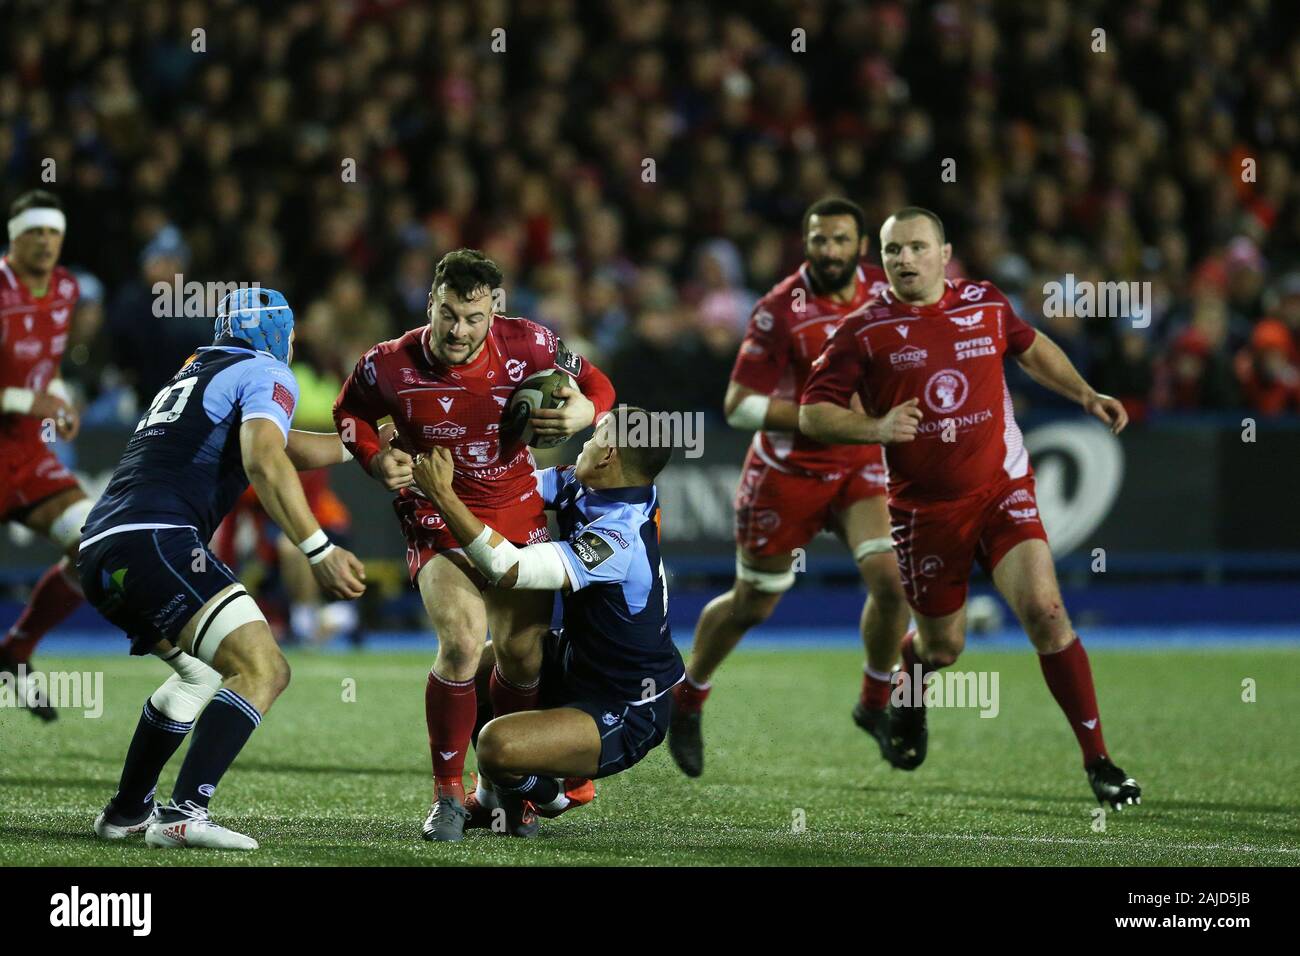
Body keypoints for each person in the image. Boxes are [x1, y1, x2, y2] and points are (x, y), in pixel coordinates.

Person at [800, 207, 1142, 810]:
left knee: (1045, 611)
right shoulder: (863, 330)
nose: (903, 259)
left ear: (944, 253)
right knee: (943, 649)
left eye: (915, 247)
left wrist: (1086, 394)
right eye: (891, 250)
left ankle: (1100, 762)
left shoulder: (985, 302)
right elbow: (813, 412)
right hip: (925, 512)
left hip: (1003, 488)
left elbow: (1030, 348)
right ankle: (901, 684)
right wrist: (874, 425)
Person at [333, 248, 616, 841]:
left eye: (473, 318)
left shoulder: (532, 344)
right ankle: (447, 796)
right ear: (430, 304)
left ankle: (508, 791)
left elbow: (598, 385)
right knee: (462, 643)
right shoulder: (387, 364)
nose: (458, 331)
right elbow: (350, 413)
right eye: (448, 315)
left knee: (521, 654)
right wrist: (373, 457)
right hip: (435, 514)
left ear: (494, 312)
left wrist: (581, 414)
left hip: (517, 512)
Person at [78, 288, 367, 849]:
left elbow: (274, 443)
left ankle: (127, 812)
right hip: (157, 539)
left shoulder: (198, 368)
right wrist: (318, 549)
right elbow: (264, 456)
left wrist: (362, 448)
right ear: (279, 335)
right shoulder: (265, 369)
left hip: (101, 548)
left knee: (200, 673)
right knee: (264, 670)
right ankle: (183, 814)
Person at [669, 197, 910, 777]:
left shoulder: (887, 293)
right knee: (754, 603)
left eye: (839, 240)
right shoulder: (781, 308)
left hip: (857, 466)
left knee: (893, 585)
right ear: (806, 242)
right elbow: (738, 404)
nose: (828, 251)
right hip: (787, 474)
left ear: (861, 246)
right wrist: (816, 416)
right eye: (818, 239)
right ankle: (688, 696)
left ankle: (875, 703)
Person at [410, 406, 680, 837]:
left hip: (624, 706)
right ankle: (490, 802)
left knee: (498, 746)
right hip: (578, 660)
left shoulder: (619, 536)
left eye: (594, 437)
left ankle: (552, 791)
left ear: (608, 454)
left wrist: (443, 495)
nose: (585, 444)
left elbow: (509, 568)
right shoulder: (594, 484)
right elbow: (512, 494)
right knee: (476, 669)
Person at [0, 190, 94, 720]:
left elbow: (47, 364)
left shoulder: (65, 288)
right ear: (14, 236)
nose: (45, 241)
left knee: (94, 546)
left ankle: (16, 648)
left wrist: (56, 398)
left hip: (27, 450)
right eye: (34, 231)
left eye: (53, 232)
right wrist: (24, 399)